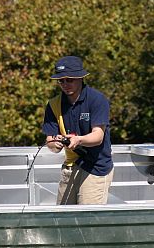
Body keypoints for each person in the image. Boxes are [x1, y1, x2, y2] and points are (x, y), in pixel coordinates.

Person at [42, 56, 113, 205]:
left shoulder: (97, 100)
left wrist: (78, 140)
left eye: (70, 80)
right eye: (61, 81)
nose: (65, 84)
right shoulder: (54, 104)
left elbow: (98, 136)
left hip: (96, 168)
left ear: (81, 78)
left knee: (87, 221)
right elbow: (49, 141)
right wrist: (55, 144)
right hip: (70, 167)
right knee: (62, 220)